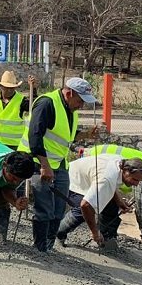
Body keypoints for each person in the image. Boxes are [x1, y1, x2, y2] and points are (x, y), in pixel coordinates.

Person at [17, 77, 97, 252]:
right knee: (44, 209)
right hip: (38, 163)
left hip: (59, 165)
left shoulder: (70, 109)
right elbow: (35, 135)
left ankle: (48, 246)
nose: (81, 105)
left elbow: (66, 135)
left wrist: (86, 135)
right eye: (80, 100)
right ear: (69, 93)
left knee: (59, 210)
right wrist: (45, 166)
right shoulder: (47, 104)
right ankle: (40, 249)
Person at [56, 155, 142, 247]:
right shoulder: (107, 178)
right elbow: (85, 205)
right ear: (126, 171)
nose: (136, 184)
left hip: (85, 178)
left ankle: (106, 239)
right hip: (71, 181)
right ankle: (57, 233)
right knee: (83, 210)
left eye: (139, 181)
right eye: (134, 179)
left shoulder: (120, 163)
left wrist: (119, 201)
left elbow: (110, 184)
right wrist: (95, 232)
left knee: (112, 203)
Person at [0, 71, 37, 149]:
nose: (9, 90)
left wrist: (33, 88)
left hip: (14, 145)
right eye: (6, 88)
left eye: (12, 88)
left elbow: (34, 106)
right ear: (1, 86)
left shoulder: (22, 101)